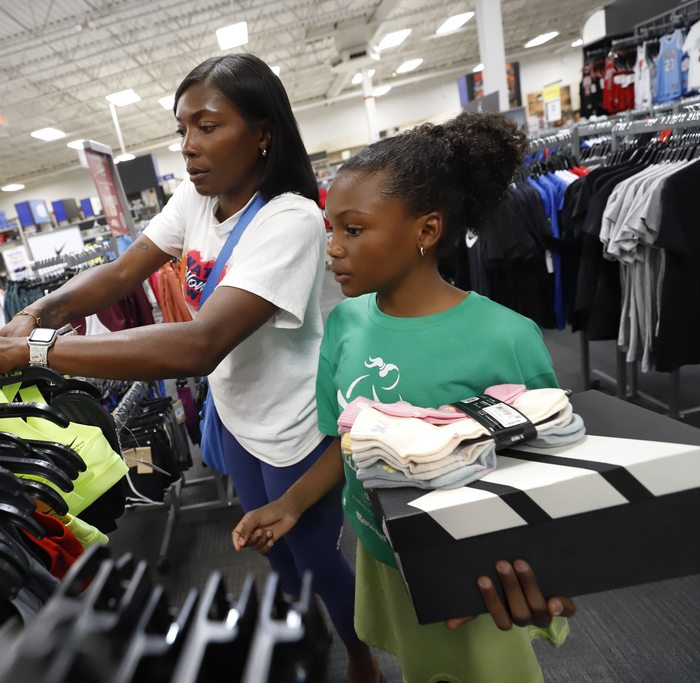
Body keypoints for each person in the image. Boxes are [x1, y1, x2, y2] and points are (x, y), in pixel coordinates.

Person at [0, 53, 381, 683]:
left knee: (318, 561)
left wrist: (25, 351)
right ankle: (307, 635)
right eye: (182, 131)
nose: (189, 148)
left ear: (263, 132)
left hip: (295, 427)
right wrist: (39, 312)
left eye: (207, 127)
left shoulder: (290, 219)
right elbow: (123, 272)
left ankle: (361, 660)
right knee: (277, 558)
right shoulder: (197, 197)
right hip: (239, 420)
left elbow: (200, 344)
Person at [231, 112, 577, 683]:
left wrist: (553, 575)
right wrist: (289, 504)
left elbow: (551, 469)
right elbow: (349, 443)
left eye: (354, 229)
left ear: (426, 230)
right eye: (329, 230)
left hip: (476, 564)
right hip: (385, 551)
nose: (333, 250)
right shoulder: (343, 325)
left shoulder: (505, 336)